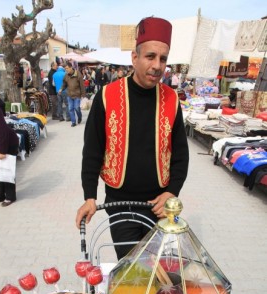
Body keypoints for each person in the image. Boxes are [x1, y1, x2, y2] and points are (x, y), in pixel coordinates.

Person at [76, 16, 189, 260]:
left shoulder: (172, 99)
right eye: (150, 56)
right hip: (120, 204)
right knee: (132, 271)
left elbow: (181, 153)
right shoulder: (107, 96)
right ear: (134, 57)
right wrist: (89, 196)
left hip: (159, 206)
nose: (158, 65)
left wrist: (172, 192)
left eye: (163, 59)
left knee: (162, 271)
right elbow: (93, 151)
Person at [59, 62, 85, 127]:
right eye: (65, 69)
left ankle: (79, 117)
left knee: (77, 108)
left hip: (77, 95)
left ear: (71, 67)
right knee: (70, 109)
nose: (66, 70)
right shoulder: (66, 76)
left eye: (67, 68)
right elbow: (64, 84)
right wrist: (61, 89)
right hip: (69, 95)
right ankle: (73, 122)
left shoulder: (78, 74)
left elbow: (82, 86)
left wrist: (83, 95)